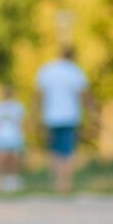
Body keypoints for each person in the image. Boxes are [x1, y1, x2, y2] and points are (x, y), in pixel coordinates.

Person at [35, 47, 89, 193]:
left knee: (54, 150)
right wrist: (91, 112)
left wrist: (36, 116)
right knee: (67, 151)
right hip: (69, 117)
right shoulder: (75, 72)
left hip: (50, 116)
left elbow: (39, 95)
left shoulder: (47, 71)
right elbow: (83, 95)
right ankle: (65, 184)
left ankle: (56, 182)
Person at [0, 85, 25, 191]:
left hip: (10, 136)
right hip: (5, 136)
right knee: (1, 161)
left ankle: (7, 182)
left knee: (9, 161)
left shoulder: (15, 106)